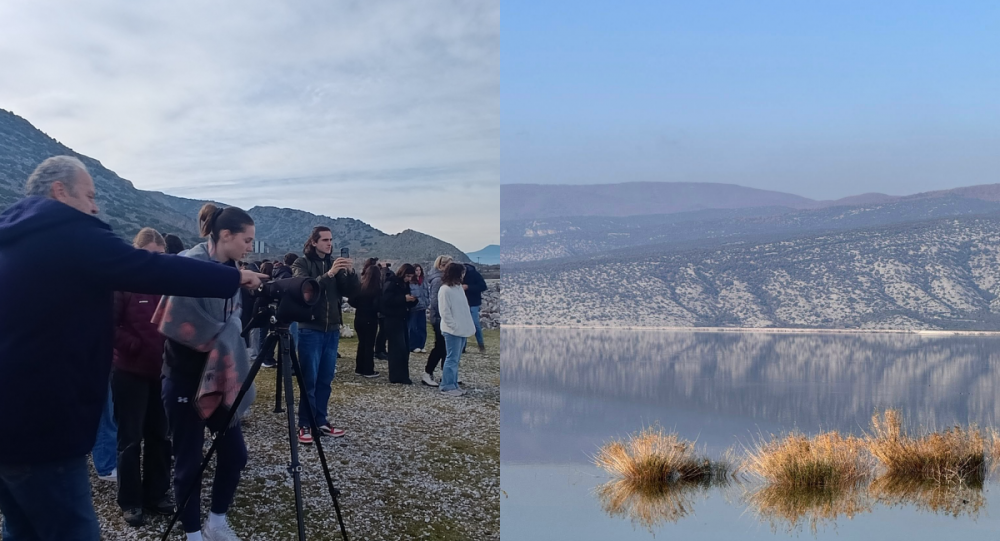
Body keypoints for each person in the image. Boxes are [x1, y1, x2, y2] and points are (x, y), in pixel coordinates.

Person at [0, 156, 265, 541]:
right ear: (60, 191)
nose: (94, 207)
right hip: (45, 423)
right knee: (72, 531)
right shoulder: (67, 231)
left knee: (21, 529)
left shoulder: (16, 234)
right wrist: (234, 276)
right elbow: (150, 268)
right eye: (89, 195)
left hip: (11, 419)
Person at [158, 203, 263, 541]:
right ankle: (192, 533)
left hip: (222, 378)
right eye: (246, 239)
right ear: (225, 235)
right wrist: (225, 335)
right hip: (185, 376)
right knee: (188, 460)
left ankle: (216, 521)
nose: (250, 246)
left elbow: (234, 321)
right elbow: (176, 323)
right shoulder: (189, 266)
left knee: (235, 454)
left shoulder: (234, 271)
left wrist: (229, 333)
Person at [110, 228, 175, 526]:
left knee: (160, 436)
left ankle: (156, 494)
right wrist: (132, 345)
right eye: (149, 255)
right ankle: (131, 500)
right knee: (130, 439)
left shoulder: (170, 284)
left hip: (162, 372)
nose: (154, 262)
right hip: (130, 372)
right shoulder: (123, 282)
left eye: (160, 257)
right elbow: (108, 324)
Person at [291, 226, 359, 444]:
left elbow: (349, 291)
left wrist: (350, 273)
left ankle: (320, 420)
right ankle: (304, 423)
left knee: (325, 379)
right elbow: (305, 289)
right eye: (325, 240)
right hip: (310, 328)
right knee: (308, 379)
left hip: (331, 329)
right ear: (314, 242)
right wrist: (329, 274)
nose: (329, 244)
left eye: (331, 240)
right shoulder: (301, 264)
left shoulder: (334, 263)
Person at [438, 263, 477, 397]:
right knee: (451, 358)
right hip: (452, 330)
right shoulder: (445, 290)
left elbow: (464, 308)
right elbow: (444, 311)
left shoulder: (458, 288)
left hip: (461, 328)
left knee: (456, 358)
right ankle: (446, 386)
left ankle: (453, 384)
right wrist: (453, 326)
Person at [382, 264, 419, 384]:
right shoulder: (392, 282)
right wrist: (404, 299)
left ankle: (402, 375)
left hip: (402, 317)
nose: (409, 279)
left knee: (404, 349)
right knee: (397, 349)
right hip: (392, 319)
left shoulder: (404, 284)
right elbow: (386, 300)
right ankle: (396, 376)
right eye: (407, 276)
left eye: (410, 276)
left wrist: (412, 301)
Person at [349, 258, 382, 378]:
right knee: (369, 345)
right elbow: (378, 306)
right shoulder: (377, 289)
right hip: (371, 319)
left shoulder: (360, 286)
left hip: (359, 317)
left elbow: (351, 301)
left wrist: (360, 306)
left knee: (362, 343)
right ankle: (368, 370)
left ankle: (359, 368)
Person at [422, 256, 453, 387]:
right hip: (440, 319)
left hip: (443, 318)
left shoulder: (444, 280)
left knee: (445, 347)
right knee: (440, 346)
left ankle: (445, 373)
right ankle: (427, 372)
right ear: (442, 266)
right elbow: (435, 301)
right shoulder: (438, 281)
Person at [463, 262, 489, 353]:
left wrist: (468, 287)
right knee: (463, 324)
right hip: (462, 303)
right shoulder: (458, 275)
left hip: (473, 303)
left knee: (475, 324)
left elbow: (483, 286)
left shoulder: (475, 274)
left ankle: (481, 345)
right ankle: (463, 347)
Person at [408, 264, 430, 354]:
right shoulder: (410, 282)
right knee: (413, 327)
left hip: (423, 306)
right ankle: (413, 345)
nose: (418, 272)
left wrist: (428, 302)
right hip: (414, 307)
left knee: (422, 326)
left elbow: (427, 292)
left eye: (419, 270)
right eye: (416, 270)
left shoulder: (423, 281)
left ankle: (421, 345)